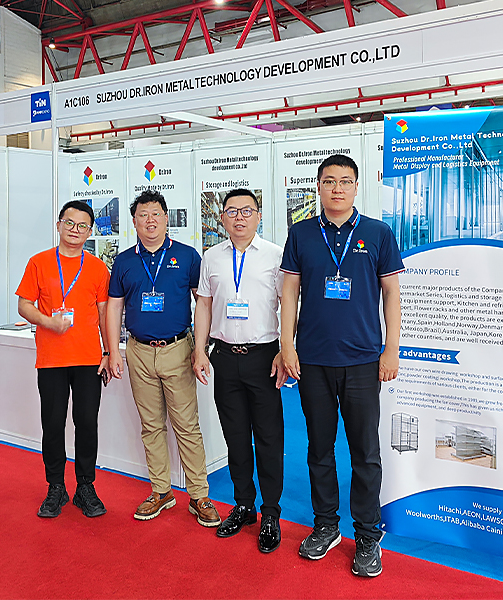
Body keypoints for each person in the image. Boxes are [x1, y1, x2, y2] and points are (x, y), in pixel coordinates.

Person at [279, 154, 403, 578]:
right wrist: (287, 345)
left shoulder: (377, 233)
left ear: (356, 187)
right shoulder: (301, 233)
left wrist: (391, 349)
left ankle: (367, 534)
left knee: (365, 452)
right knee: (319, 449)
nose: (337, 188)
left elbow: (392, 294)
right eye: (329, 181)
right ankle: (326, 525)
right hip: (312, 361)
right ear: (318, 186)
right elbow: (289, 292)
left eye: (345, 181)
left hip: (363, 361)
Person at [105, 189, 220, 527]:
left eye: (156, 214)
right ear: (134, 221)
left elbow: (203, 303)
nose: (150, 220)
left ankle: (199, 495)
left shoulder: (187, 256)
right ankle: (161, 491)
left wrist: (200, 348)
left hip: (178, 350)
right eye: (143, 215)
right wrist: (112, 351)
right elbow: (113, 308)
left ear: (167, 218)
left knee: (187, 425)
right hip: (139, 351)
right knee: (151, 425)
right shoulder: (124, 261)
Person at [192, 188, 287, 553]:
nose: (240, 217)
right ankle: (244, 505)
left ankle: (271, 513)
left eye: (247, 211)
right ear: (222, 218)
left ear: (258, 216)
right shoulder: (212, 257)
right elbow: (204, 305)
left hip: (264, 358)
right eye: (232, 211)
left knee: (268, 438)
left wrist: (286, 349)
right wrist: (199, 350)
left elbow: (289, 304)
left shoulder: (275, 255)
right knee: (235, 437)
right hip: (224, 357)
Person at [16, 201, 112, 520]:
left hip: (88, 359)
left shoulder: (97, 268)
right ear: (58, 225)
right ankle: (55, 486)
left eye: (82, 225)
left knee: (86, 423)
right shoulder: (39, 262)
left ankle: (85, 486)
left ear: (90, 231)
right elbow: (24, 305)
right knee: (53, 424)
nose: (75, 230)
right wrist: (48, 322)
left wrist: (109, 353)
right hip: (52, 359)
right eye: (69, 223)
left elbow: (104, 315)